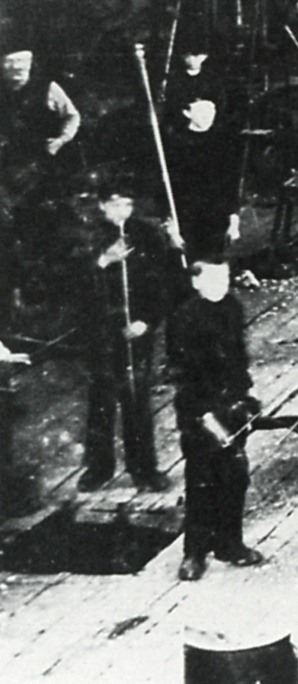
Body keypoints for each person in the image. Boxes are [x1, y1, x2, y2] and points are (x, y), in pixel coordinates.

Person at [78, 177, 178, 493]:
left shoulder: (146, 235)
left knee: (137, 398)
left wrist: (147, 321)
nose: (124, 211)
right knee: (102, 399)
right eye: (117, 204)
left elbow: (162, 285)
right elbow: (69, 286)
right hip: (101, 334)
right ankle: (99, 468)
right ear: (103, 205)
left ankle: (144, 469)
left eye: (128, 205)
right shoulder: (87, 235)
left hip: (136, 332)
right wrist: (104, 261)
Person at [169, 259, 263, 580]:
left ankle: (229, 543)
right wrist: (206, 416)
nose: (221, 283)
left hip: (231, 405)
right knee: (201, 481)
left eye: (224, 276)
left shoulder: (232, 309)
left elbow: (239, 358)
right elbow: (185, 376)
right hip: (199, 411)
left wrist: (245, 398)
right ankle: (194, 553)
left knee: (235, 475)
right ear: (196, 282)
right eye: (212, 277)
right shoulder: (183, 318)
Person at [165, 95, 242, 261]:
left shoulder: (224, 142)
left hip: (216, 216)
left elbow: (231, 184)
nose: (209, 114)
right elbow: (165, 186)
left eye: (212, 109)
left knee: (213, 266)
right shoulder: (175, 144)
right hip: (185, 215)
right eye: (202, 110)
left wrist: (234, 220)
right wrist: (170, 225)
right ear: (187, 112)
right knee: (186, 266)